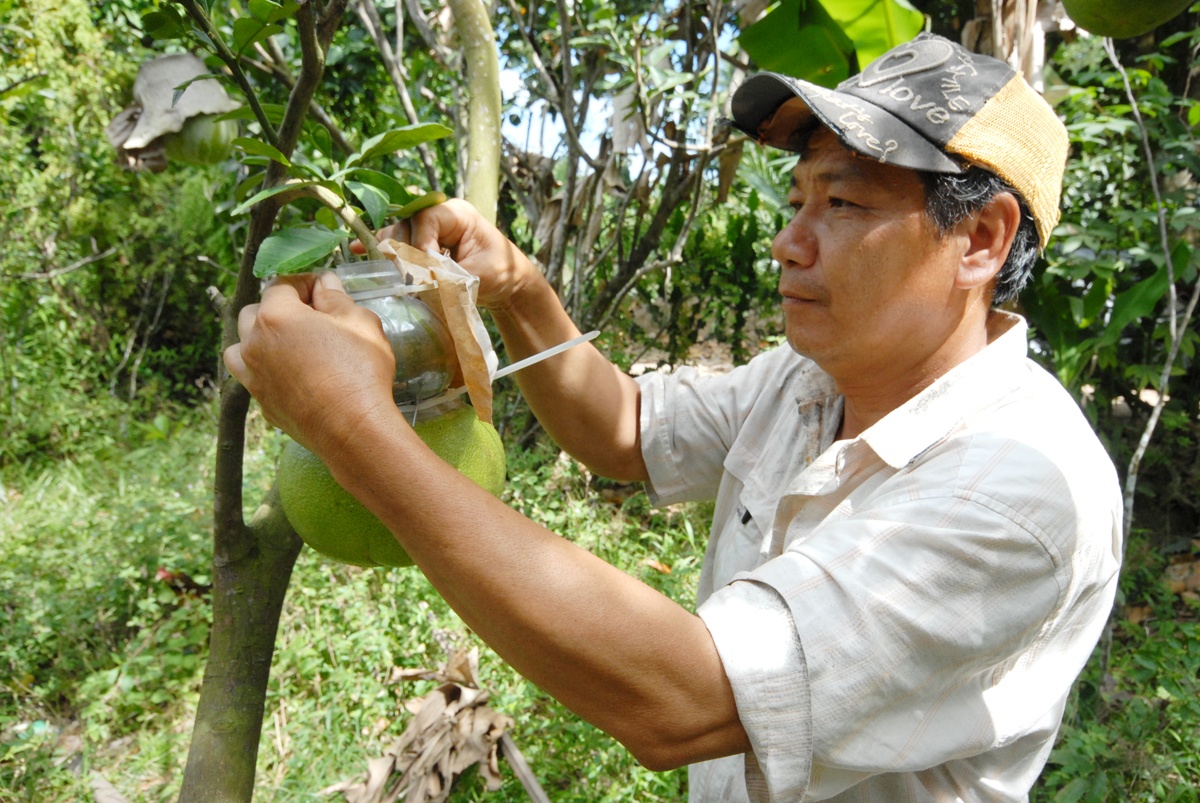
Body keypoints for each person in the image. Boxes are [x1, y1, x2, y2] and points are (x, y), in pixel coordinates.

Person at [225, 32, 1122, 802]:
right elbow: (625, 428)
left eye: (843, 202)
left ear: (980, 239)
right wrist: (519, 289)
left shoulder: (1017, 488)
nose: (788, 240)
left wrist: (352, 428)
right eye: (799, 199)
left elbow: (689, 698)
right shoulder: (809, 382)